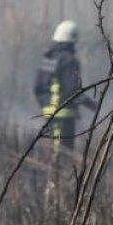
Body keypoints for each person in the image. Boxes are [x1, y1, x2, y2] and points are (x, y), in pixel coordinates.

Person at [34, 20, 97, 151]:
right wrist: (91, 104)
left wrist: (46, 105)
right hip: (64, 117)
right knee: (63, 153)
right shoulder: (69, 60)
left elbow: (38, 88)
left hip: (48, 115)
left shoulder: (48, 58)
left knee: (51, 151)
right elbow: (72, 90)